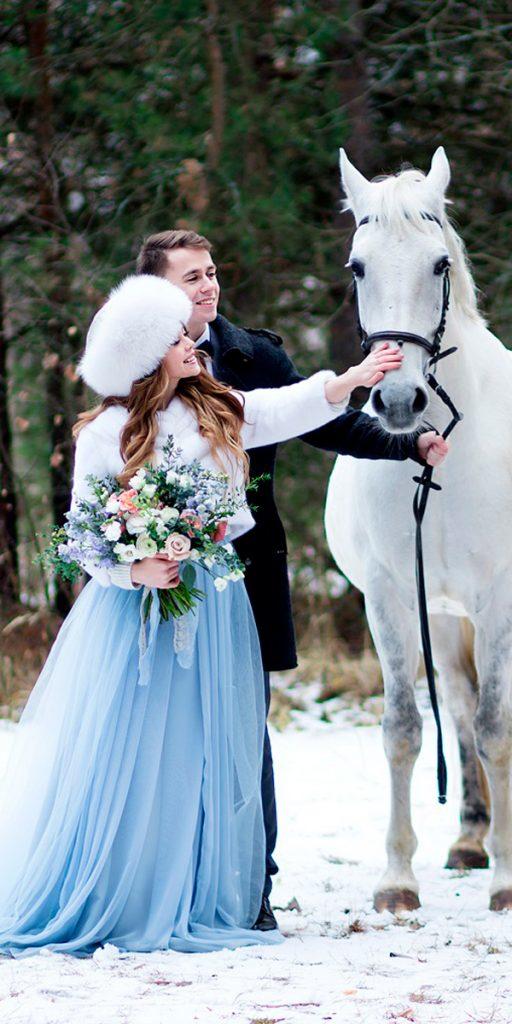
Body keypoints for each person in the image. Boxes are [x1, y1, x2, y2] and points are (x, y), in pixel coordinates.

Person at [0, 273, 407, 959]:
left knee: (208, 748)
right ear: (149, 354)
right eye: (178, 337)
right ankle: (125, 891)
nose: (194, 341)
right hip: (133, 617)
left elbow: (287, 409)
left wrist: (353, 378)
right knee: (133, 752)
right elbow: (83, 533)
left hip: (216, 606)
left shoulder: (217, 407)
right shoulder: (103, 433)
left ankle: (199, 892)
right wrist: (134, 567)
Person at [135, 230, 449, 929]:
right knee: (160, 727)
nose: (210, 286)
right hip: (153, 581)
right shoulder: (129, 366)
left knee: (246, 725)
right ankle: (161, 877)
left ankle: (253, 885)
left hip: (245, 575)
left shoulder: (253, 355)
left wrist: (407, 444)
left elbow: (320, 420)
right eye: (192, 278)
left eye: (213, 272)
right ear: (157, 290)